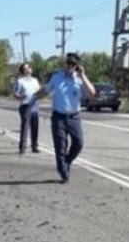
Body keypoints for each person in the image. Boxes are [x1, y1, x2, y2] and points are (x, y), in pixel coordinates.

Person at [30, 53, 95, 183]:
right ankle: (64, 173)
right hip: (58, 117)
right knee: (60, 147)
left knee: (78, 143)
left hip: (74, 117)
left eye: (73, 65)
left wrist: (83, 75)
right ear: (65, 64)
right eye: (68, 64)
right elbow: (46, 91)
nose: (70, 67)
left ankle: (67, 161)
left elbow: (92, 93)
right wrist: (34, 97)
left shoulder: (80, 79)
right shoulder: (57, 77)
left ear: (77, 66)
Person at [13, 63, 41, 154]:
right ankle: (22, 146)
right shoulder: (20, 81)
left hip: (35, 105)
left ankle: (34, 146)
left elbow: (39, 91)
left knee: (35, 127)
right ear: (23, 71)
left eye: (29, 67)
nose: (29, 69)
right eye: (26, 68)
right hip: (25, 105)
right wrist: (20, 96)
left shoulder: (35, 80)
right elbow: (15, 94)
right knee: (25, 126)